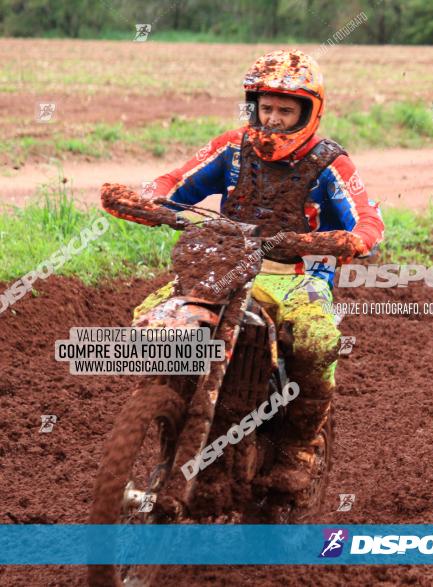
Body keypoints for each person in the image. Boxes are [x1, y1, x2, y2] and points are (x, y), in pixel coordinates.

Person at [103, 49, 385, 499]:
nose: (272, 119)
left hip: (293, 274)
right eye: (266, 107)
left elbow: (367, 218)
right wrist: (150, 201)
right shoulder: (231, 148)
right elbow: (174, 182)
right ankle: (162, 411)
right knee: (153, 318)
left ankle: (299, 447)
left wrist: (352, 240)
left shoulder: (330, 163)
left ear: (308, 112)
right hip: (225, 263)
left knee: (316, 339)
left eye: (285, 109)